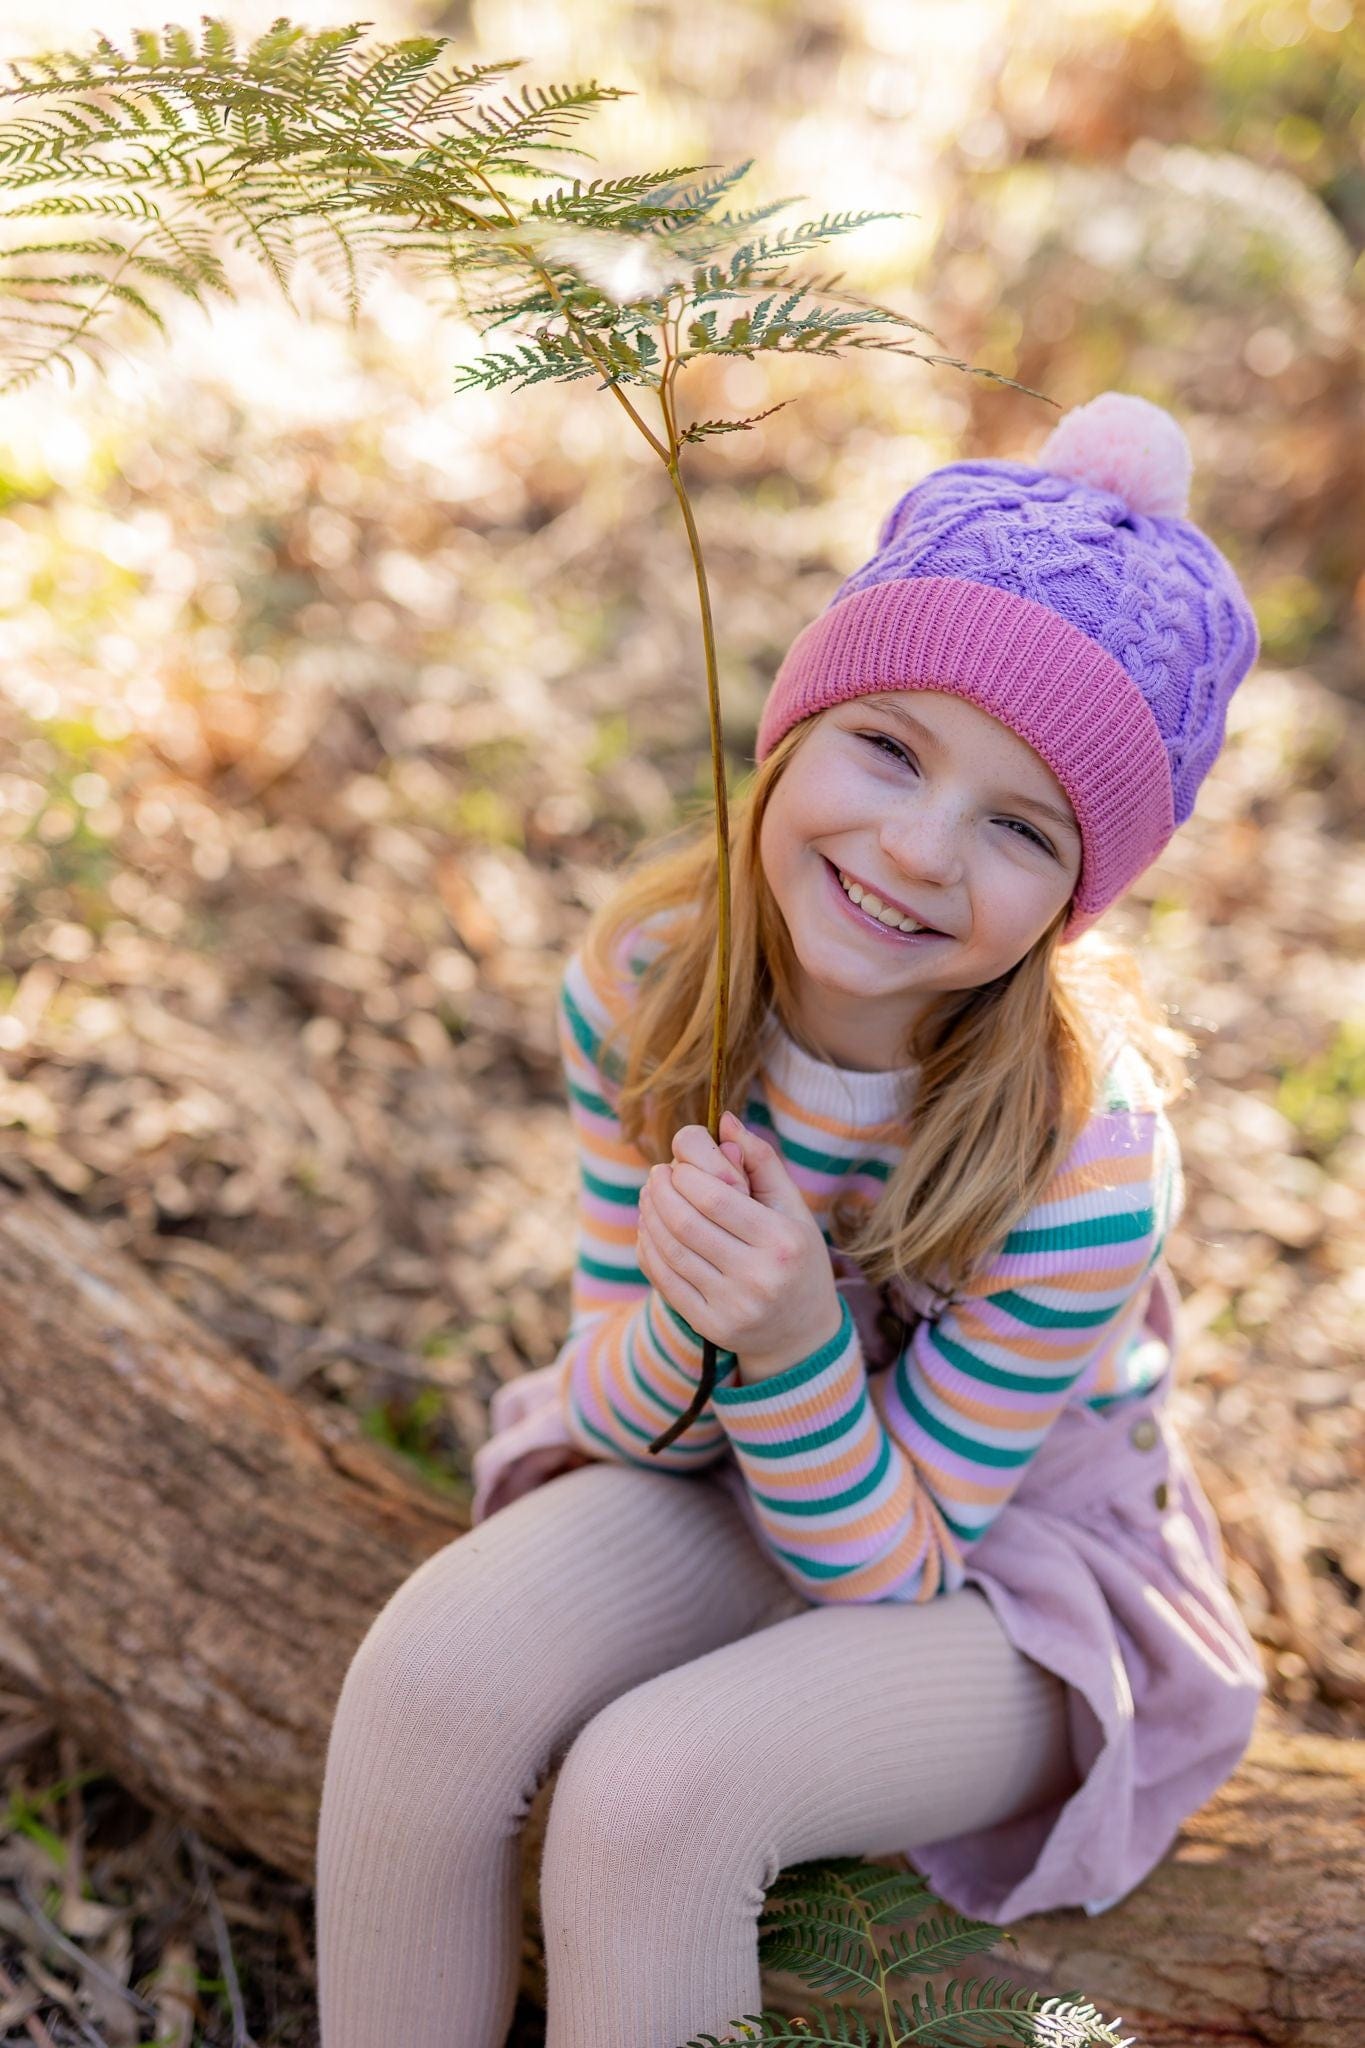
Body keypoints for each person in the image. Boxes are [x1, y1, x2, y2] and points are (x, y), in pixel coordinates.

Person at [313, 390, 1266, 2048]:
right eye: (886, 746)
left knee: (655, 1795)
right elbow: (617, 1407)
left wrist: (787, 1336)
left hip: (997, 1584)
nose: (912, 848)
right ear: (790, 724)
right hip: (726, 1457)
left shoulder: (1082, 1157)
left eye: (1018, 825)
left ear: (1076, 895)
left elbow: (887, 1571)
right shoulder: (650, 981)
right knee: (431, 1679)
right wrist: (700, 1318)